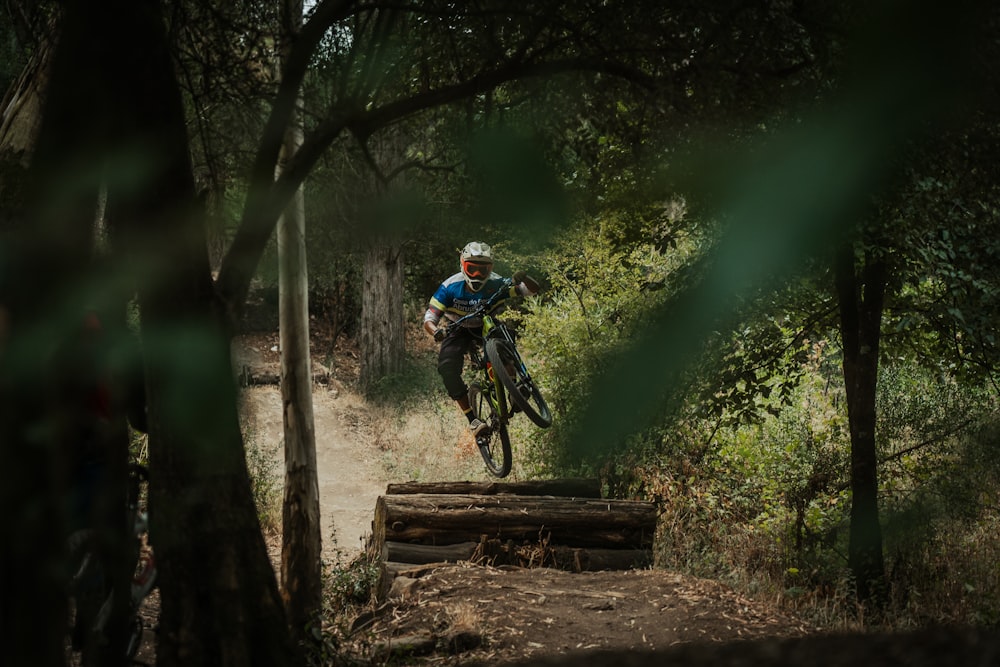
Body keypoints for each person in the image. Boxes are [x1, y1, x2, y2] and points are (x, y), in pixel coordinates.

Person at [423, 241, 539, 436]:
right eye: (472, 269)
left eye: (483, 270)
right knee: (447, 368)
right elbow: (429, 317)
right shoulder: (450, 287)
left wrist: (525, 277)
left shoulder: (497, 282)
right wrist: (436, 331)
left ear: (490, 269)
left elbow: (529, 290)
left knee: (504, 340)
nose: (477, 275)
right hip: (458, 328)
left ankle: (513, 389)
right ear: (462, 265)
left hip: (487, 324)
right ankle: (473, 420)